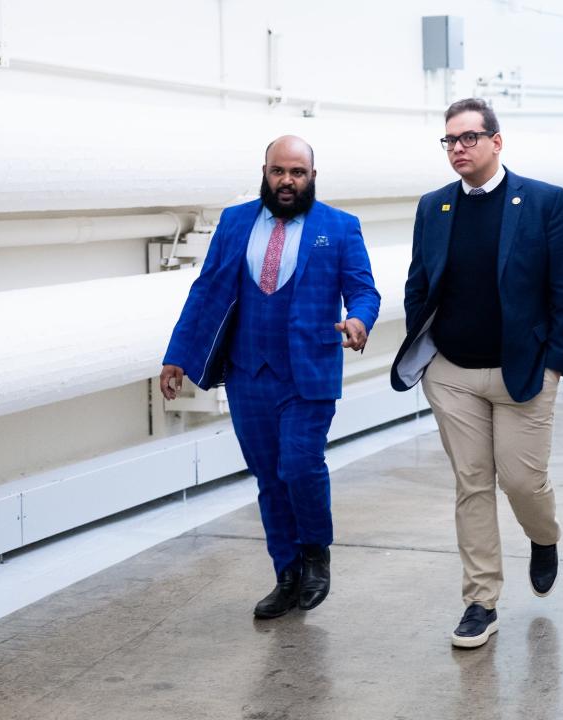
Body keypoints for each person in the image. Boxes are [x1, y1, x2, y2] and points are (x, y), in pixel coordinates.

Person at [391, 98, 563, 649]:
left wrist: (554, 363)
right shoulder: (434, 207)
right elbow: (418, 283)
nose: (458, 148)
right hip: (452, 373)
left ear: (496, 142)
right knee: (472, 484)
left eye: (468, 138)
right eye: (450, 140)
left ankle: (543, 537)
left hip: (523, 371)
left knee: (522, 481)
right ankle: (481, 601)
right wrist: (426, 349)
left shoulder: (544, 201)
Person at [160, 135, 380, 619]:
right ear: (265, 172)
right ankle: (286, 574)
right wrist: (177, 354)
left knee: (299, 466)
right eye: (279, 171)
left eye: (297, 173)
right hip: (247, 374)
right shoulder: (235, 222)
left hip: (309, 372)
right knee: (268, 477)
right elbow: (205, 291)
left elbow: (364, 290)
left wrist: (360, 319)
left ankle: (315, 553)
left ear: (312, 178)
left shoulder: (339, 228)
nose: (287, 181)